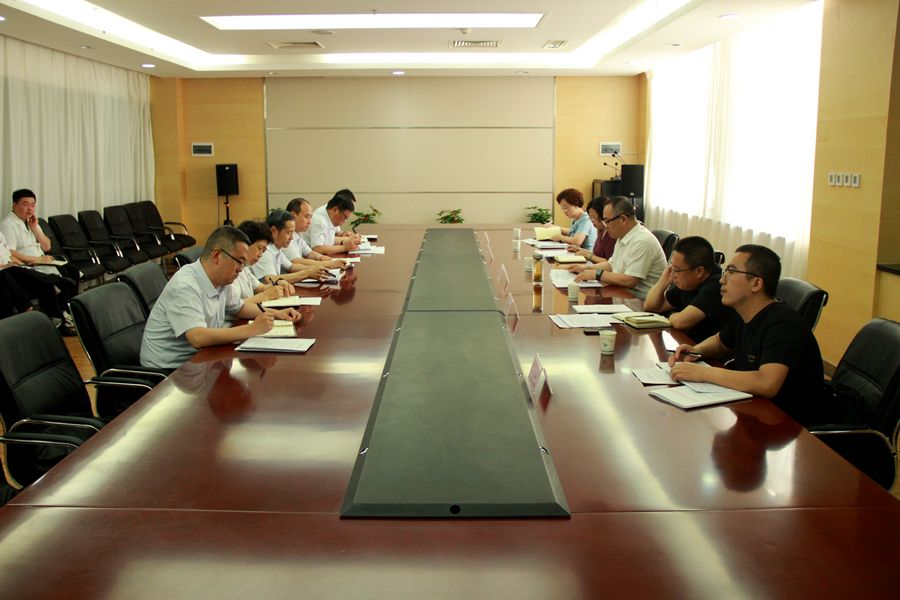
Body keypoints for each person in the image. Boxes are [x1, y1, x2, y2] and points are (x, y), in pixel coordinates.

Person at [669, 244, 824, 426]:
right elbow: (721, 342)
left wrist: (704, 373)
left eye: (732, 272)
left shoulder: (782, 324)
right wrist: (695, 351)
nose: (722, 280)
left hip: (787, 425)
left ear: (756, 284)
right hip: (754, 410)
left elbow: (766, 383)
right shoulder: (745, 312)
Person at [140, 226, 302, 371]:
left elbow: (239, 308)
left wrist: (276, 314)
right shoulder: (186, 285)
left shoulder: (222, 279)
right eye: (239, 262)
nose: (241, 270)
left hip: (199, 359)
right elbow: (198, 337)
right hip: (168, 370)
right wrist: (252, 329)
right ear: (217, 255)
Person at [0, 189, 77, 328]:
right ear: (14, 205)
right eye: (25, 204)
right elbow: (10, 253)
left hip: (40, 261)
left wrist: (35, 228)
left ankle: (68, 311)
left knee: (72, 270)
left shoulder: (31, 221)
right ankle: (60, 319)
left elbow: (47, 246)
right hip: (30, 264)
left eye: (33, 205)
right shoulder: (8, 224)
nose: (30, 209)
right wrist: (37, 260)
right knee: (53, 281)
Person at [571, 196, 666, 299]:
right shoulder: (622, 236)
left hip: (640, 301)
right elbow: (612, 264)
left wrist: (597, 274)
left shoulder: (642, 241)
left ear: (623, 219)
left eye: (607, 221)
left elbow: (630, 280)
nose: (605, 226)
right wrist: (585, 268)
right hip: (623, 295)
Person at [643, 236, 735, 343]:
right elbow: (650, 306)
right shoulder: (687, 281)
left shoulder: (716, 285)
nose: (673, 274)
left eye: (676, 270)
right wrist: (663, 281)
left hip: (702, 350)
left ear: (699, 271)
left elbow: (680, 322)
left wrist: (670, 315)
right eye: (671, 267)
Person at [251, 209, 332, 285]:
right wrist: (307, 273)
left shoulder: (276, 248)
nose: (291, 238)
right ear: (274, 231)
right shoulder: (264, 251)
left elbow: (291, 267)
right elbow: (270, 280)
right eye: (288, 233)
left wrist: (315, 269)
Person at [232, 220, 294, 304]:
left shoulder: (245, 267)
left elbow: (260, 288)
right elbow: (234, 306)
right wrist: (265, 296)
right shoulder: (230, 270)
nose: (260, 255)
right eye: (259, 248)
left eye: (263, 251)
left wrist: (277, 284)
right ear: (245, 244)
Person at [283, 197, 350, 269]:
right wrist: (329, 264)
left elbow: (309, 253)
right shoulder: (284, 235)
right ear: (293, 215)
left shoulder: (298, 233)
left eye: (310, 217)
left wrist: (321, 257)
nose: (309, 222)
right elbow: (296, 261)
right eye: (306, 217)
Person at [307, 189, 363, 255]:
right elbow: (317, 248)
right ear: (335, 209)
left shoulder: (329, 211)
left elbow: (333, 236)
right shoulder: (319, 221)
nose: (344, 221)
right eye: (344, 217)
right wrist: (344, 247)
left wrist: (347, 237)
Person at [566, 196, 616, 262]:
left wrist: (588, 255)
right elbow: (596, 254)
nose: (592, 221)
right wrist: (580, 250)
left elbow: (610, 263)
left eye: (593, 217)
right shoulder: (601, 231)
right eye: (590, 218)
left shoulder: (612, 234)